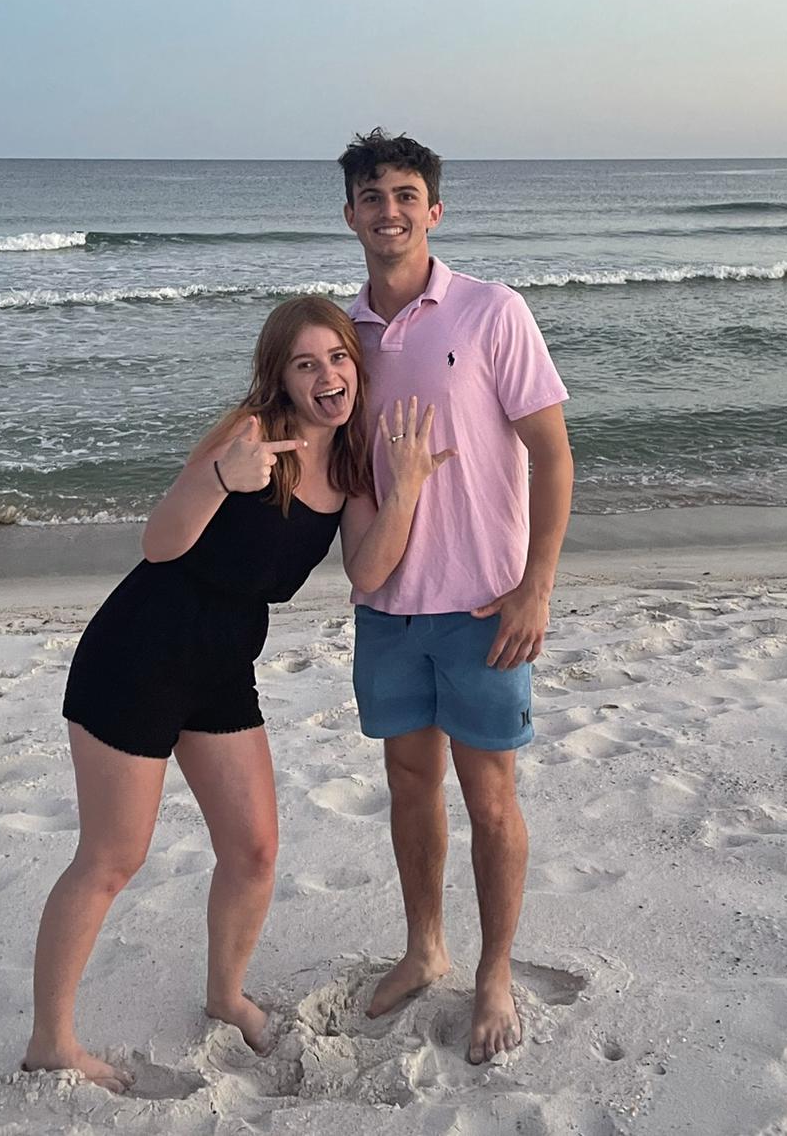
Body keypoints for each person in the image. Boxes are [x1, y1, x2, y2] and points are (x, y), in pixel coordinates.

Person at [22, 295, 453, 1091]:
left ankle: (225, 996)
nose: (327, 375)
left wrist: (408, 489)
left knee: (254, 851)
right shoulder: (249, 436)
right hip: (139, 654)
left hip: (221, 668)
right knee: (114, 856)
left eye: (338, 358)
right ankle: (53, 1039)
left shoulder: (351, 464)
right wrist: (222, 478)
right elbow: (160, 543)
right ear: (280, 378)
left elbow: (366, 572)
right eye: (305, 363)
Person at [337, 129, 575, 1064]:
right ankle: (424, 948)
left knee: (491, 799)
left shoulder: (490, 311)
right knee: (407, 786)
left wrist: (535, 586)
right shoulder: (341, 336)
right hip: (388, 609)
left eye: (404, 194)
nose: (387, 211)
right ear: (348, 213)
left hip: (484, 607)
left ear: (434, 210)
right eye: (371, 196)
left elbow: (552, 454)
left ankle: (495, 972)